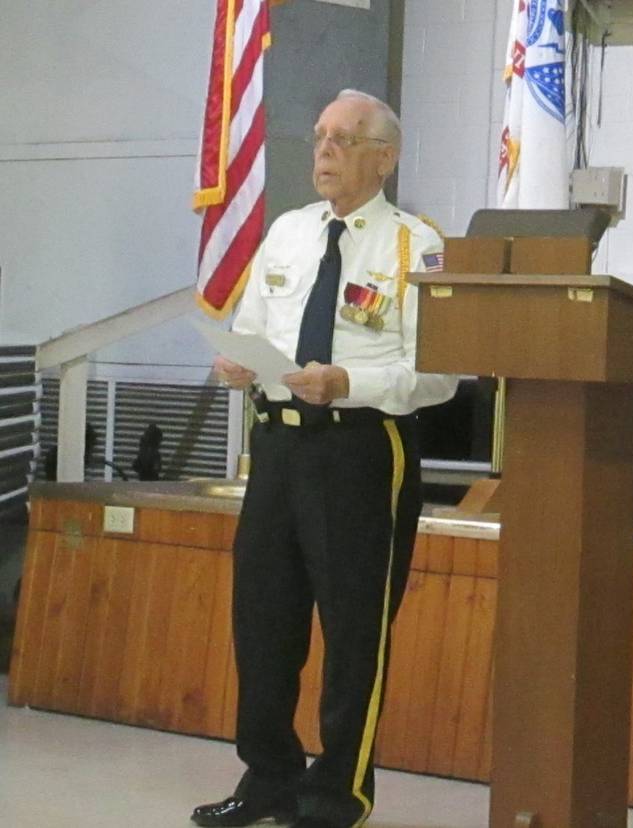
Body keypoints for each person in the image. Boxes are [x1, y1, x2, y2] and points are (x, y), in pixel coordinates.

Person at [191, 89, 457, 828]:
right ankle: (268, 778)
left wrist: (347, 382)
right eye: (319, 138)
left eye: (344, 139)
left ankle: (338, 793)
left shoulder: (416, 245)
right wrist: (236, 365)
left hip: (361, 448)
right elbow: (251, 330)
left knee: (353, 630)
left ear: (385, 156)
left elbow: (438, 373)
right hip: (277, 446)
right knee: (264, 621)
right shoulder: (287, 233)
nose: (325, 152)